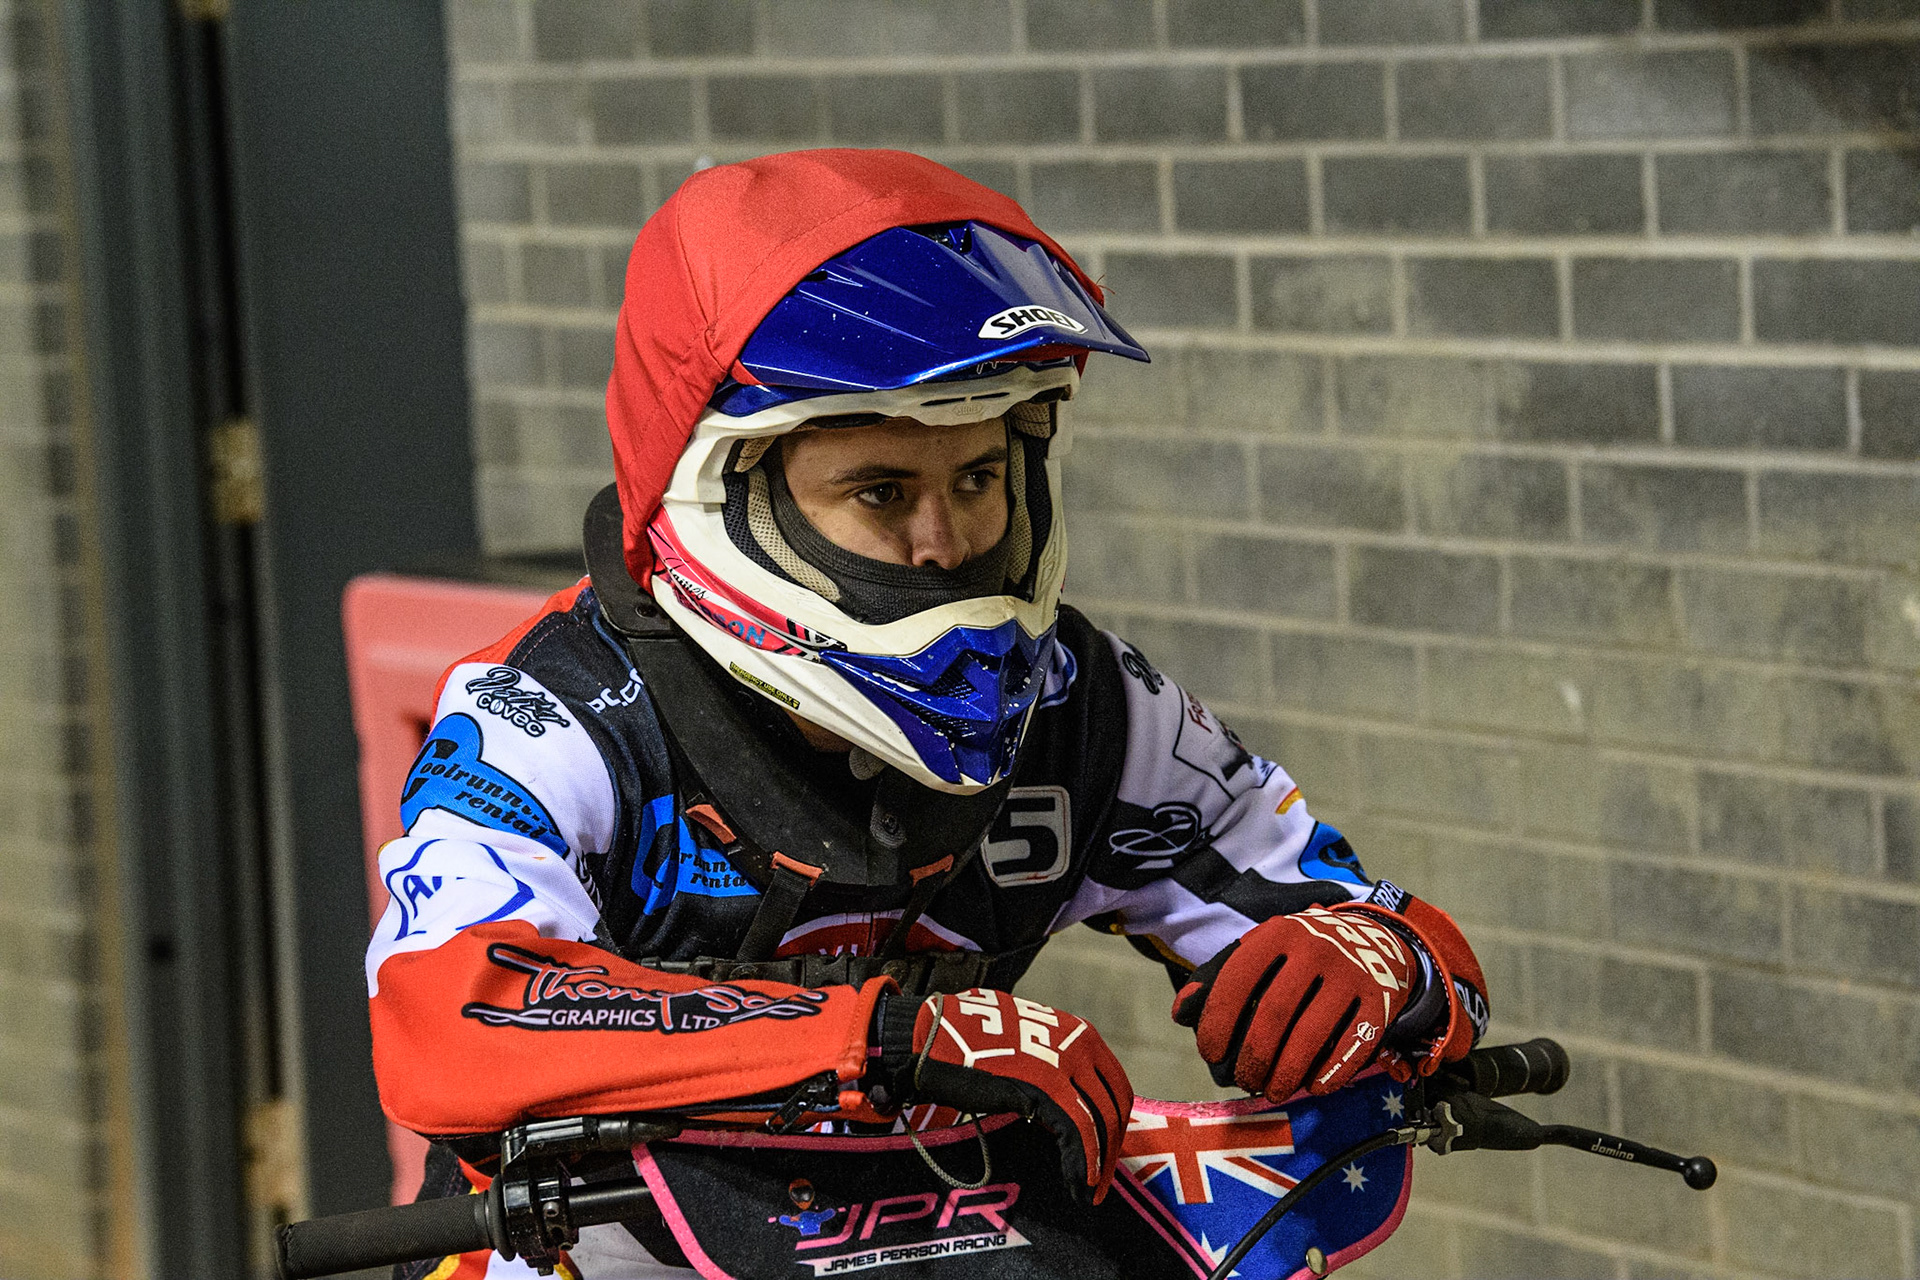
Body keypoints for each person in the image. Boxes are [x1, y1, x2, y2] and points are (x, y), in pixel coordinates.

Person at [368, 149, 1489, 1279]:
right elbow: (454, 1007)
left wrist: (1384, 957)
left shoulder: (1082, 705)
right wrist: (878, 1040)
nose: (944, 544)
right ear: (731, 491)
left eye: (975, 479)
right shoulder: (557, 711)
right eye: (881, 491)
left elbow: (1339, 897)